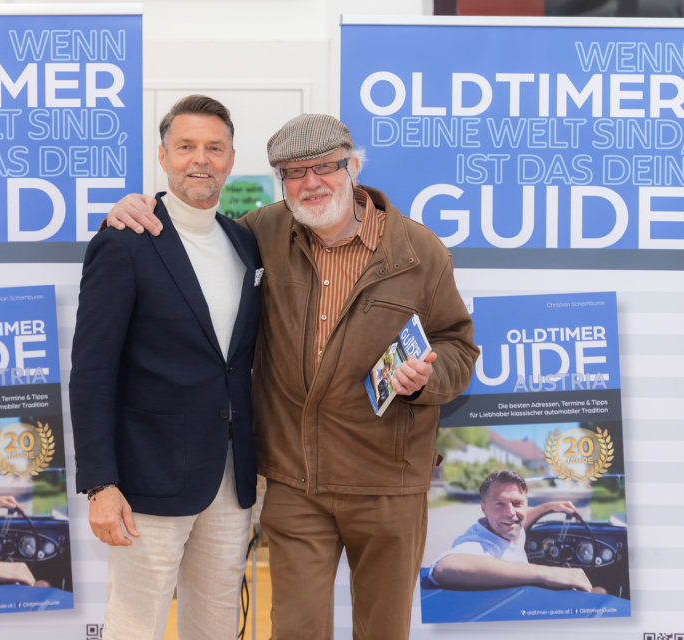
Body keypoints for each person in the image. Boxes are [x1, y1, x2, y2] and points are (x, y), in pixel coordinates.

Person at [105, 113, 480, 639]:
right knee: (295, 631)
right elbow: (190, 233)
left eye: (324, 167)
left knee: (384, 630)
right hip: (295, 483)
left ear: (353, 167)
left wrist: (426, 379)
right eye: (293, 172)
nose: (310, 183)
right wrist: (134, 208)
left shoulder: (419, 250)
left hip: (388, 482)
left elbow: (458, 345)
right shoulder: (260, 232)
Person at [69, 95, 262, 639]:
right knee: (136, 624)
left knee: (217, 625)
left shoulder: (244, 243)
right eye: (185, 146)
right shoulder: (124, 241)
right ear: (163, 155)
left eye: (214, 148)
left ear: (230, 159)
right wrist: (100, 483)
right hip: (147, 478)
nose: (200, 159)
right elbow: (92, 371)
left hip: (230, 478)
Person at [429, 469, 600, 593]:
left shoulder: (510, 527)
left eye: (517, 504)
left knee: (600, 591)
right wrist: (548, 573)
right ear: (484, 509)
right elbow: (446, 567)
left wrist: (548, 506)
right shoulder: (478, 544)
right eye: (500, 504)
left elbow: (521, 520)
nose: (511, 513)